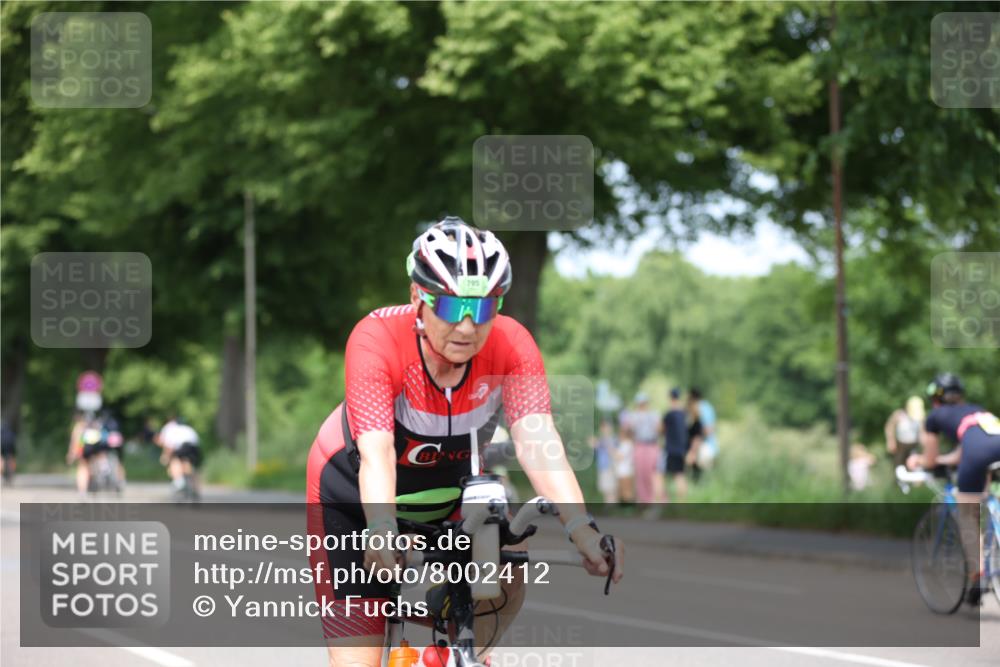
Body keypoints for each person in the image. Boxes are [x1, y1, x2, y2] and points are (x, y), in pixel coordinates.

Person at [305, 217, 623, 667]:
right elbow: (376, 453)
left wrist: (581, 529)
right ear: (419, 297)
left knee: (510, 552)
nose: (469, 327)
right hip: (353, 494)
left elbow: (537, 439)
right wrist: (379, 528)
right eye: (454, 309)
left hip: (449, 492)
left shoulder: (512, 345)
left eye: (485, 308)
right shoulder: (376, 339)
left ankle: (456, 653)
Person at [907, 372, 1000, 604]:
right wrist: (943, 460)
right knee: (987, 497)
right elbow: (964, 451)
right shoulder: (977, 411)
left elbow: (930, 459)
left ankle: (977, 575)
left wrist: (919, 460)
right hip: (990, 449)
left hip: (977, 454)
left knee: (968, 513)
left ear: (935, 398)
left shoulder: (935, 416)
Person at [623, 392, 663, 505]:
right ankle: (644, 501)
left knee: (653, 474)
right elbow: (627, 431)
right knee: (641, 474)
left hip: (651, 445)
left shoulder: (653, 415)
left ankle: (655, 500)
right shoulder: (633, 416)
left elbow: (660, 429)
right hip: (640, 445)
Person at [156, 416, 202, 500]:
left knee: (174, 461)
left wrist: (165, 457)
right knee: (190, 466)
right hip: (194, 447)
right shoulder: (189, 429)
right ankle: (195, 488)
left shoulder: (172, 430)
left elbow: (169, 447)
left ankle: (179, 481)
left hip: (181, 446)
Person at [661, 388, 689, 502]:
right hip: (682, 449)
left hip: (672, 450)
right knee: (679, 475)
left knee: (676, 476)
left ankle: (679, 503)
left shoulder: (670, 414)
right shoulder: (684, 413)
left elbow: (661, 429)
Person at [884, 396, 924, 467]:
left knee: (914, 466)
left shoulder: (920, 416)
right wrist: (891, 441)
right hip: (900, 445)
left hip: (914, 445)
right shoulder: (899, 414)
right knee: (899, 466)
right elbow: (889, 427)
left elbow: (922, 431)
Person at [689, 388, 717, 481]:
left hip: (704, 445)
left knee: (702, 475)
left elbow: (708, 429)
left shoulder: (701, 407)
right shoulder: (708, 406)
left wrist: (697, 441)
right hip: (707, 444)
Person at [591, 419, 619, 504]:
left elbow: (616, 453)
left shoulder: (614, 439)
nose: (605, 429)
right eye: (604, 427)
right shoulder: (600, 440)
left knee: (612, 489)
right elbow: (593, 446)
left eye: (607, 427)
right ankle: (609, 506)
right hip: (603, 467)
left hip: (610, 466)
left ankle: (612, 506)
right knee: (606, 489)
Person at [1, 419, 17, 484]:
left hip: (3, 445)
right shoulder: (11, 432)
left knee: (2, 460)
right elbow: (13, 442)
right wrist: (14, 452)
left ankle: (2, 475)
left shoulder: (1, 432)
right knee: (10, 459)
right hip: (10, 446)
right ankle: (10, 476)